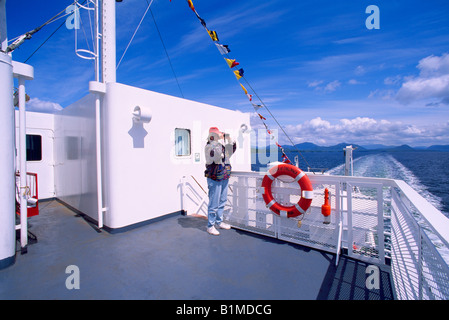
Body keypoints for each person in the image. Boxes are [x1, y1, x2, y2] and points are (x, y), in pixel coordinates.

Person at [204, 127, 236, 235]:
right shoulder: (209, 147)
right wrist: (219, 140)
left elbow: (232, 149)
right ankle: (210, 226)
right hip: (215, 178)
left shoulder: (221, 146)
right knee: (214, 203)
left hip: (224, 176)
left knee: (222, 201)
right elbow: (217, 154)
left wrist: (229, 139)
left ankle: (219, 222)